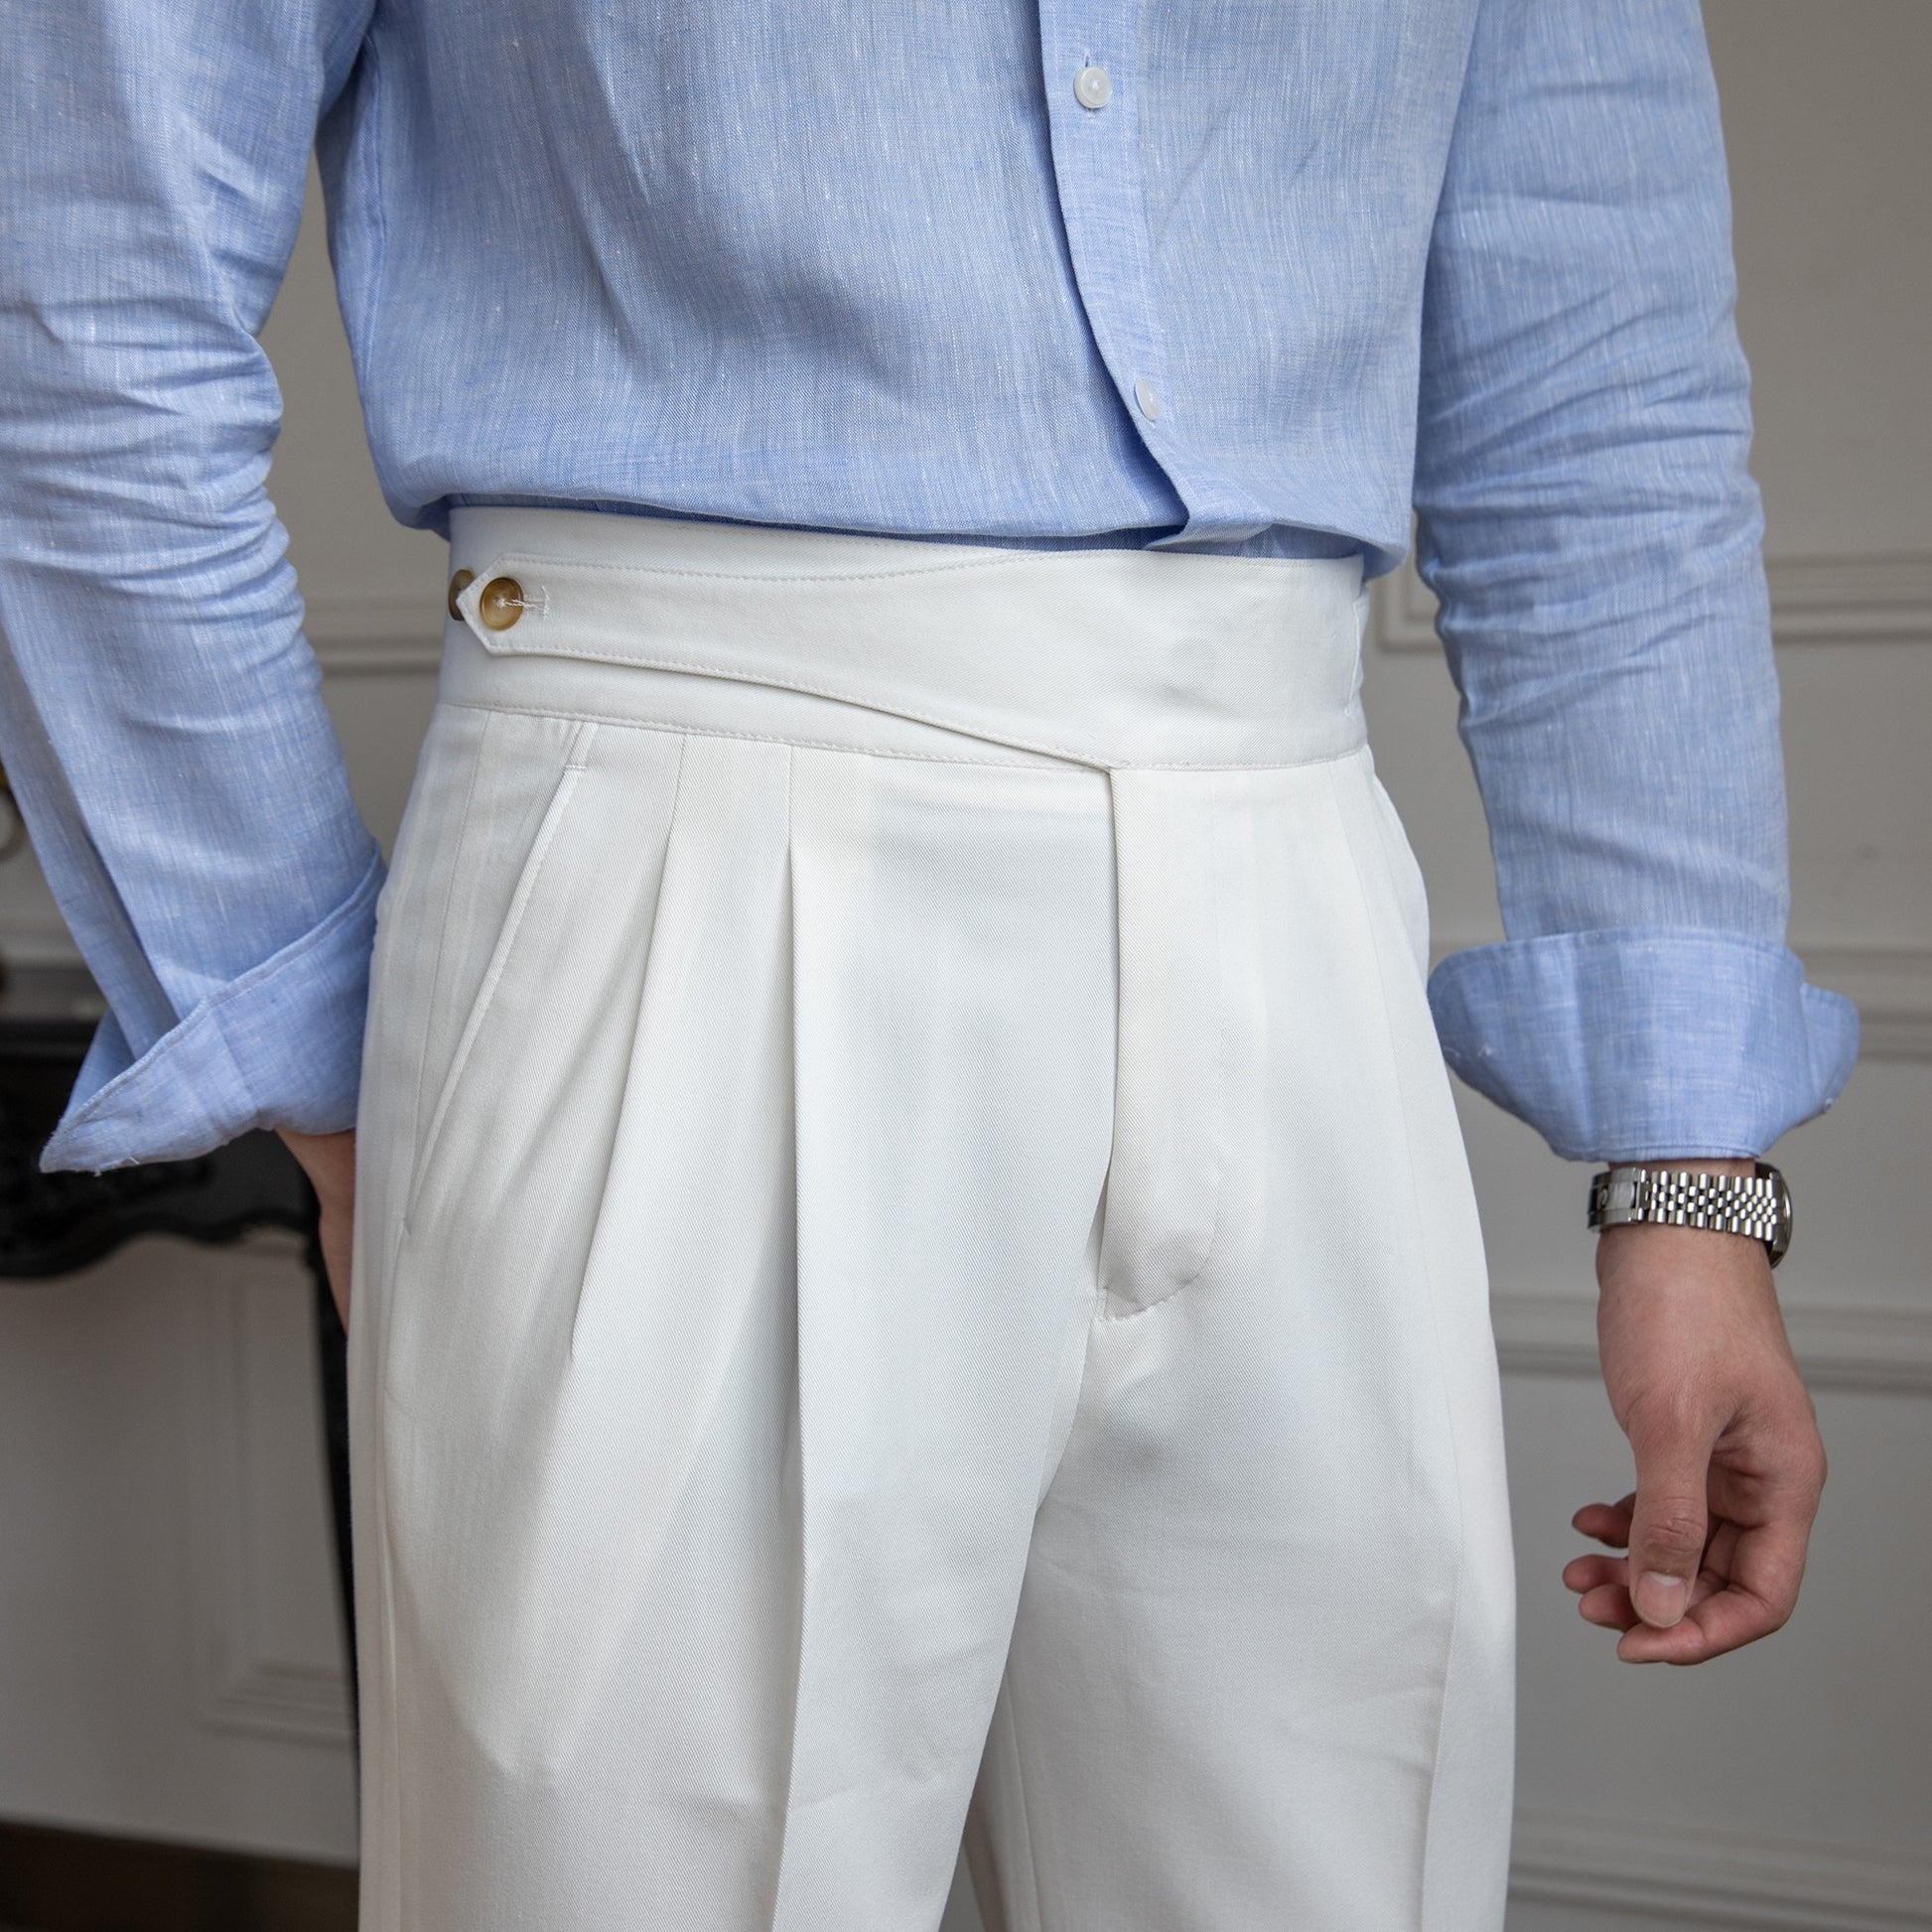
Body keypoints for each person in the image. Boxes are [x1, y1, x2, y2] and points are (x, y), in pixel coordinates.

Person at [0, 2, 1858, 1927]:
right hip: (679, 865)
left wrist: (1685, 1173)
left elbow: (1597, 395)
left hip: (1296, 884)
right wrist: (303, 1029)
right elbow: (86, 299)